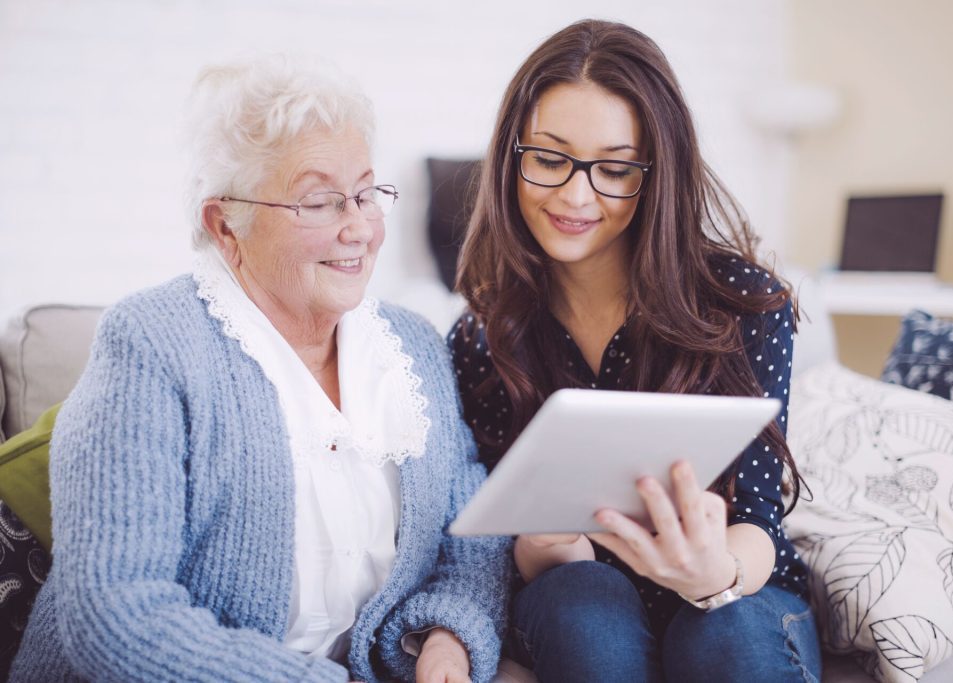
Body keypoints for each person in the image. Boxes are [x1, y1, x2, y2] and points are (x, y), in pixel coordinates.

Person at [10, 55, 511, 683]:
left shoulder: (410, 348)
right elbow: (117, 618)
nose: (359, 227)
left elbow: (472, 536)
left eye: (364, 192)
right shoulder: (150, 345)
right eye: (321, 201)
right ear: (226, 225)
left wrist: (447, 638)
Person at [448, 20, 821, 683]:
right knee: (583, 606)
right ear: (512, 155)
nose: (576, 194)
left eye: (615, 168)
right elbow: (500, 546)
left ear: (655, 174)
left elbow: (760, 520)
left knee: (723, 625)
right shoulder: (485, 335)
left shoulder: (742, 304)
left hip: (740, 593)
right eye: (549, 157)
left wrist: (714, 575)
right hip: (584, 603)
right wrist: (543, 550)